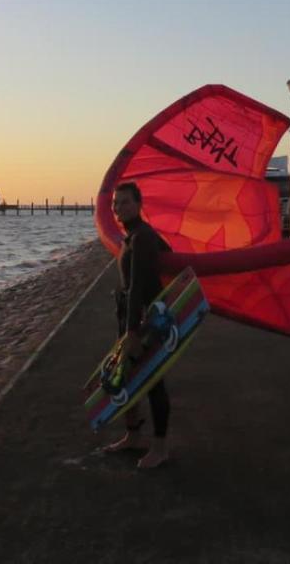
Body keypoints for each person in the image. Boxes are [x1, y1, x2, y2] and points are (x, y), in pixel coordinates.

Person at [102, 180, 171, 469]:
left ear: (139, 205)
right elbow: (167, 251)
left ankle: (160, 448)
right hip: (131, 317)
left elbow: (138, 286)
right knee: (127, 377)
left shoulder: (142, 237)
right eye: (116, 203)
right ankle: (133, 436)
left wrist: (131, 331)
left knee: (153, 381)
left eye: (125, 202)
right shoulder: (135, 235)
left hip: (145, 322)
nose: (119, 207)